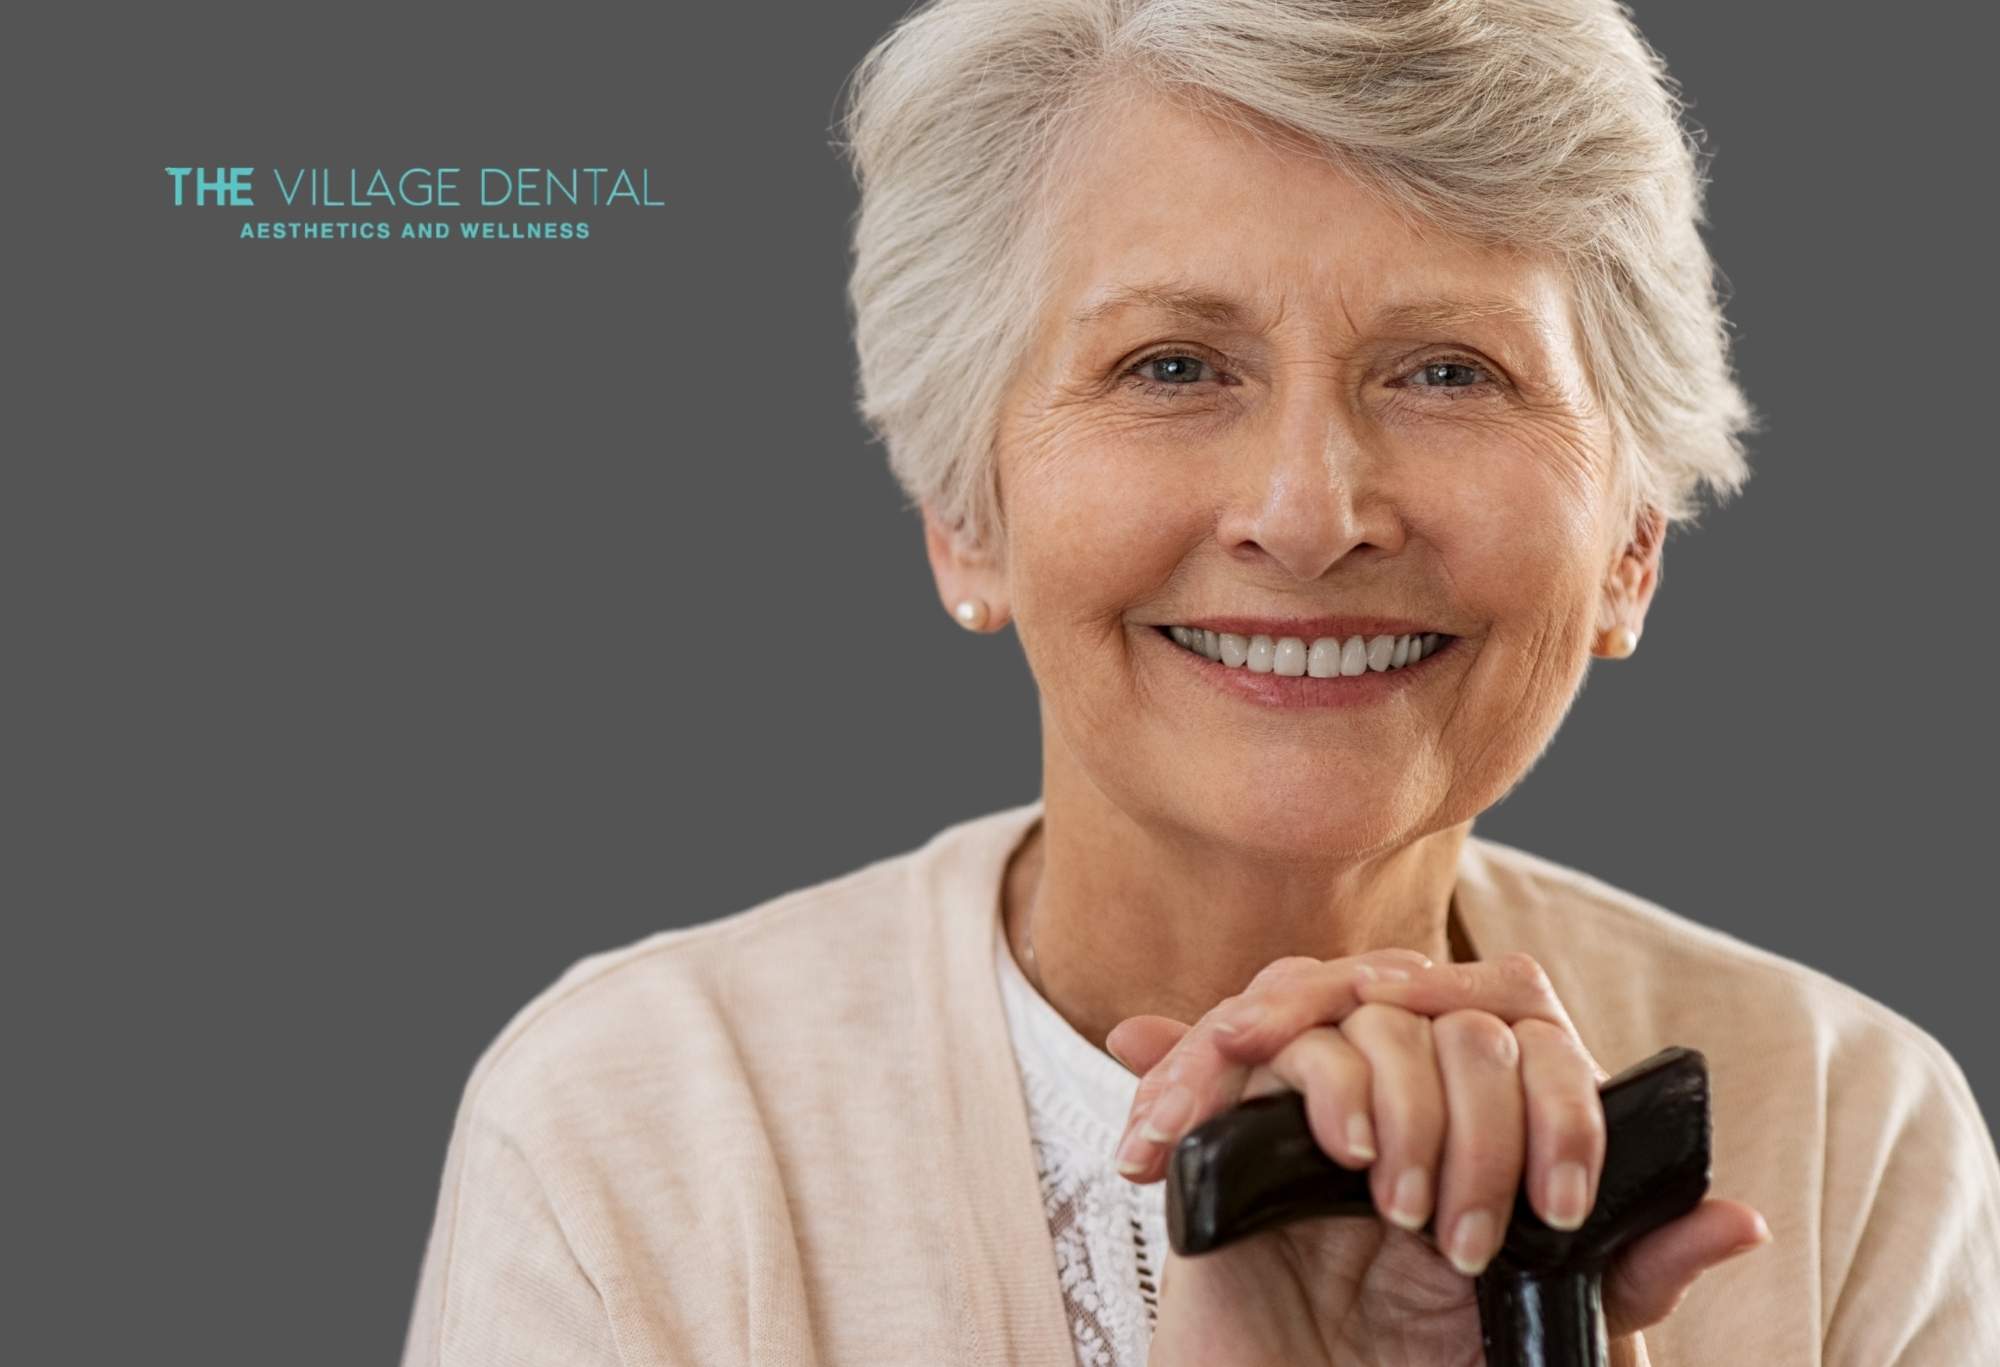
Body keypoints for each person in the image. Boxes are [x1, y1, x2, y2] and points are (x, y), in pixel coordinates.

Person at [398, 2, 2000, 1363]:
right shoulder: (635, 1125)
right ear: (968, 512)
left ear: (1633, 542)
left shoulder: (1852, 1135)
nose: (1309, 517)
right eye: (1173, 367)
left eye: (1451, 371)